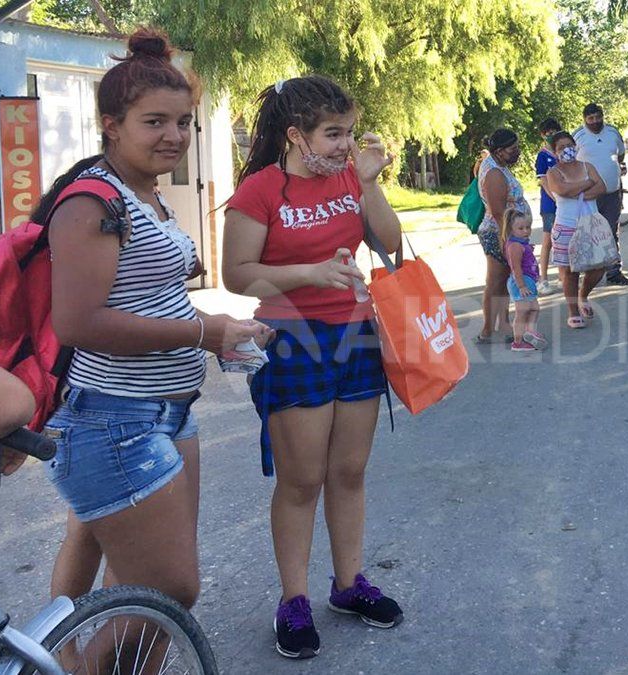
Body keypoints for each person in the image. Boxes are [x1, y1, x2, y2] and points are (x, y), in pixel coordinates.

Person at [44, 27, 270, 618]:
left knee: (126, 578)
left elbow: (150, 301)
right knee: (170, 594)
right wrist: (204, 334)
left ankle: (58, 658)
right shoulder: (93, 202)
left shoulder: (148, 195)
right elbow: (78, 322)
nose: (174, 136)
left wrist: (222, 328)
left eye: (183, 122)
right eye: (154, 122)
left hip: (169, 412)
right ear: (111, 125)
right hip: (115, 419)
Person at [223, 75, 405, 659]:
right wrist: (309, 274)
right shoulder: (260, 190)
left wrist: (370, 183)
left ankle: (349, 585)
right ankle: (293, 599)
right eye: (333, 135)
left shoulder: (353, 176)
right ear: (296, 135)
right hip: (293, 337)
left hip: (355, 335)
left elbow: (391, 241)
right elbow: (237, 275)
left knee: (349, 471)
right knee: (302, 480)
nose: (345, 146)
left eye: (350, 134)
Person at [545, 131, 608, 329]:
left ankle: (583, 295)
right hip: (566, 226)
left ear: (576, 145)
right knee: (570, 272)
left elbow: (602, 188)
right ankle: (573, 312)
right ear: (554, 152)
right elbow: (562, 190)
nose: (566, 150)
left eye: (568, 145)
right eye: (560, 147)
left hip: (591, 225)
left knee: (599, 266)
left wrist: (578, 190)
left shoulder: (587, 166)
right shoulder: (553, 172)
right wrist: (588, 183)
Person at [475, 129, 528, 343]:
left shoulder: (499, 166)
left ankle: (504, 324)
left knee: (504, 280)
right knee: (495, 281)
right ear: (499, 151)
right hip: (498, 232)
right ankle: (487, 330)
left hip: (505, 231)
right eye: (512, 149)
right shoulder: (494, 172)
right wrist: (509, 239)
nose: (517, 152)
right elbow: (498, 211)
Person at [573, 103, 628, 285]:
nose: (595, 121)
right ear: (584, 119)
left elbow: (620, 155)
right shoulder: (578, 136)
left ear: (603, 116)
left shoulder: (613, 133)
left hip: (611, 193)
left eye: (598, 117)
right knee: (587, 233)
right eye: (590, 119)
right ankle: (588, 273)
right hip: (587, 195)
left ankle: (614, 272)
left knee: (612, 232)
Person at [501, 208, 546, 352]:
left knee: (534, 308)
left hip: (528, 281)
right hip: (521, 282)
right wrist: (521, 286)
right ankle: (518, 342)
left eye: (528, 227)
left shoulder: (522, 243)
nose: (526, 231)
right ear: (511, 229)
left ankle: (530, 332)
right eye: (521, 228)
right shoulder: (514, 246)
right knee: (522, 312)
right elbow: (516, 268)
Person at [535, 118, 562, 294]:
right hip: (550, 204)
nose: (550, 135)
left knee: (564, 241)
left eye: (553, 131)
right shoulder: (542, 156)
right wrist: (556, 198)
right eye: (547, 132)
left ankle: (563, 276)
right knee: (548, 241)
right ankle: (543, 279)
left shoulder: (564, 152)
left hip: (566, 202)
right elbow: (543, 181)